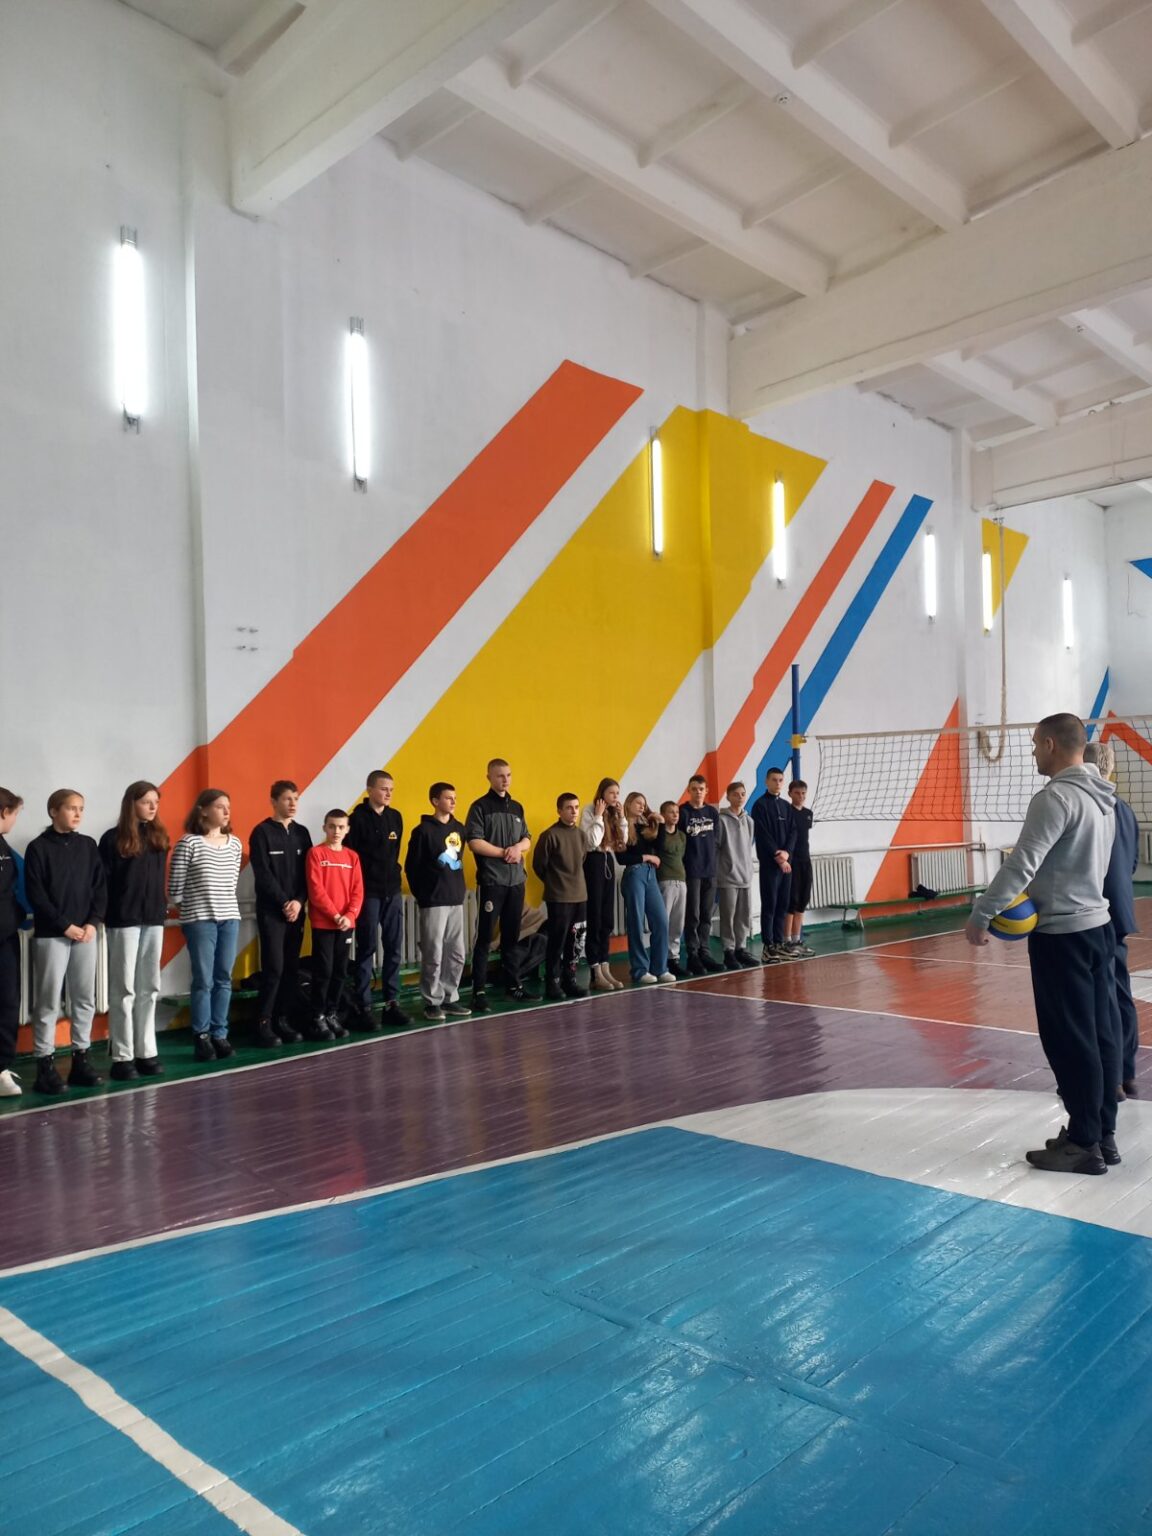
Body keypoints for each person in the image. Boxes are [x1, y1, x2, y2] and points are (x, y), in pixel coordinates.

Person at [966, 713, 1118, 1175]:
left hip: (1063, 937)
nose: (1033, 751)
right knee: (1100, 1035)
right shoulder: (1104, 797)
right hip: (1098, 927)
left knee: (1070, 1040)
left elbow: (1021, 865)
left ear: (1051, 744)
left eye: (1035, 744)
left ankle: (1083, 1144)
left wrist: (982, 914)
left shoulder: (1055, 798)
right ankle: (1100, 1133)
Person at [24, 788, 107, 1094]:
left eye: (81, 808)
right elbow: (36, 894)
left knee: (84, 998)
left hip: (85, 934)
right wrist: (65, 926)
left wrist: (92, 922)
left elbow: (100, 887)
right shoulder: (38, 848)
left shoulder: (88, 845)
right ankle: (44, 1065)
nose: (77, 814)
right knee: (48, 1000)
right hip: (52, 935)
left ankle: (80, 1059)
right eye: (71, 808)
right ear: (53, 811)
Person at [99, 781, 169, 1081]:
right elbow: (103, 882)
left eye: (156, 802)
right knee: (123, 989)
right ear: (132, 804)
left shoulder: (159, 837)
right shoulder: (112, 839)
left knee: (149, 986)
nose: (153, 807)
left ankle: (146, 1051)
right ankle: (122, 1055)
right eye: (146, 802)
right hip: (123, 920)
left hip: (153, 919)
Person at [168, 789, 243, 1062]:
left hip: (229, 918)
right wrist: (192, 907)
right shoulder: (189, 843)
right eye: (220, 806)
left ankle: (219, 1033)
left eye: (228, 806)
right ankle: (201, 1036)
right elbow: (175, 889)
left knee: (224, 977)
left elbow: (231, 883)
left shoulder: (235, 844)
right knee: (203, 979)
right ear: (203, 810)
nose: (226, 811)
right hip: (200, 920)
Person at [1084, 740, 1140, 1096]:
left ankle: (1110, 1077)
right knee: (1119, 991)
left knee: (1098, 996)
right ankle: (1126, 1072)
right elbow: (1131, 862)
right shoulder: (1126, 809)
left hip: (1093, 911)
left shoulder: (1088, 805)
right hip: (1119, 909)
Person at [248, 779, 311, 1048]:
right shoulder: (261, 833)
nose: (293, 803)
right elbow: (263, 874)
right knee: (273, 967)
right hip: (272, 912)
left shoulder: (302, 833)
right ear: (274, 801)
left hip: (296, 911)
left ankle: (284, 1018)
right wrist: (285, 902)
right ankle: (264, 1022)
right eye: (287, 799)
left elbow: (308, 874)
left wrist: (298, 901)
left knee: (291, 968)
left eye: (296, 798)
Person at [465, 759, 532, 1012]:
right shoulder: (479, 807)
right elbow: (474, 842)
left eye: (508, 775)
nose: (505, 780)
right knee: (484, 937)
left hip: (516, 882)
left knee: (511, 936)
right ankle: (479, 991)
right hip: (492, 882)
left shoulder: (517, 807)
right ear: (489, 778)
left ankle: (513, 986)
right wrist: (505, 852)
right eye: (500, 775)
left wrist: (518, 848)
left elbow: (527, 838)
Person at [404, 782, 472, 1022]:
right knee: (434, 952)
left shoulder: (459, 829)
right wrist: (424, 895)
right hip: (433, 901)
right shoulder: (422, 831)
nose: (453, 802)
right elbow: (412, 867)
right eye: (447, 798)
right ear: (435, 801)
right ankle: (432, 1001)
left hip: (455, 899)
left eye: (454, 797)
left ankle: (449, 997)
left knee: (457, 953)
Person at [345, 770, 407, 1029]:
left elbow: (395, 852)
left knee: (393, 948)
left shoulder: (395, 817)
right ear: (369, 790)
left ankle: (392, 1003)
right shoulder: (356, 819)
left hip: (392, 891)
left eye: (391, 789)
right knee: (367, 948)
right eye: (383, 789)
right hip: (368, 893)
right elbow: (351, 859)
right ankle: (364, 1006)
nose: (388, 793)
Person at [305, 810, 363, 1040]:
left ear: (347, 829)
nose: (336, 831)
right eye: (332, 826)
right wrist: (335, 915)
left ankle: (331, 1013)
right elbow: (316, 890)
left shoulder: (352, 857)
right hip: (324, 924)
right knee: (324, 971)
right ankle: (317, 1016)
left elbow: (358, 890)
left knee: (340, 971)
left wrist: (349, 915)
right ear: (324, 828)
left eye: (340, 827)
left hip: (346, 924)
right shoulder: (316, 853)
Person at [532, 793, 589, 1002]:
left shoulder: (581, 835)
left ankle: (569, 979)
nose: (574, 811)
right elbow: (539, 865)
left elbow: (582, 860)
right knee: (557, 941)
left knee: (575, 942)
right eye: (569, 807)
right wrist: (555, 883)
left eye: (576, 807)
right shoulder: (549, 835)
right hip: (559, 897)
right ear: (559, 810)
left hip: (580, 896)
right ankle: (553, 982)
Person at [616, 792, 673, 986]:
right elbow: (621, 858)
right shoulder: (622, 827)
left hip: (651, 875)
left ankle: (660, 968)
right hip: (634, 874)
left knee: (661, 920)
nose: (642, 806)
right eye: (638, 803)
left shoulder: (644, 828)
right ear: (629, 804)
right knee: (636, 922)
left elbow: (660, 846)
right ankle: (639, 970)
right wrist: (646, 857)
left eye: (644, 803)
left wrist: (661, 823)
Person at [580, 778, 625, 992]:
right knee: (595, 918)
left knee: (607, 919)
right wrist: (598, 816)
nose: (616, 797)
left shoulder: (613, 813)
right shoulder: (590, 811)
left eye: (617, 793)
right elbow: (591, 842)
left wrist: (622, 818)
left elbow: (622, 842)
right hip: (594, 862)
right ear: (602, 793)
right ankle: (595, 970)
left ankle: (605, 966)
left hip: (608, 860)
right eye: (612, 793)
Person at [679, 775, 723, 975]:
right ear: (689, 790)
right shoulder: (683, 812)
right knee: (693, 914)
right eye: (694, 789)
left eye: (701, 789)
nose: (698, 792)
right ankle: (693, 954)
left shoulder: (712, 813)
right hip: (691, 872)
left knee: (706, 914)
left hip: (710, 871)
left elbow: (717, 840)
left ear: (706, 791)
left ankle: (705, 951)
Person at [752, 766, 796, 963]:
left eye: (780, 780)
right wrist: (778, 855)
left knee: (783, 904)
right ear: (766, 781)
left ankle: (779, 943)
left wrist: (787, 853)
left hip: (786, 863)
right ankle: (768, 946)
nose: (777, 783)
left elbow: (793, 832)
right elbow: (762, 834)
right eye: (774, 780)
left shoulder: (786, 806)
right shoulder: (759, 806)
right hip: (771, 864)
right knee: (770, 904)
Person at [0, 787, 27, 1098]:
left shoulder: (5, 847)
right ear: (4, 812)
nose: (15, 820)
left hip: (6, 939)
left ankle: (1, 1067)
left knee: (7, 1003)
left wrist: (16, 916)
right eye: (15, 813)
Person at [716, 782, 756, 968]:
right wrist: (724, 869)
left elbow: (747, 847)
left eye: (742, 794)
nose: (740, 797)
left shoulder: (749, 821)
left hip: (745, 877)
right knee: (728, 916)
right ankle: (728, 951)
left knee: (743, 916)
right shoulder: (721, 820)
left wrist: (748, 870)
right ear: (728, 796)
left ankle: (741, 948)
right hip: (728, 876)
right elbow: (717, 848)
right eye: (736, 794)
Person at [783, 779, 816, 958]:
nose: (801, 796)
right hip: (792, 861)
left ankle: (797, 939)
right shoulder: (787, 812)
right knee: (792, 900)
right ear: (790, 794)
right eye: (797, 793)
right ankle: (786, 940)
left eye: (803, 793)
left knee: (803, 899)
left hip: (805, 860)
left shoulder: (808, 814)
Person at [656, 800, 687, 979]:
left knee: (677, 923)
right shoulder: (659, 835)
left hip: (681, 881)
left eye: (677, 812)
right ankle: (661, 960)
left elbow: (681, 855)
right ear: (663, 814)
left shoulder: (682, 836)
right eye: (671, 812)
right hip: (665, 881)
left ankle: (673, 958)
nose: (675, 815)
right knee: (664, 922)